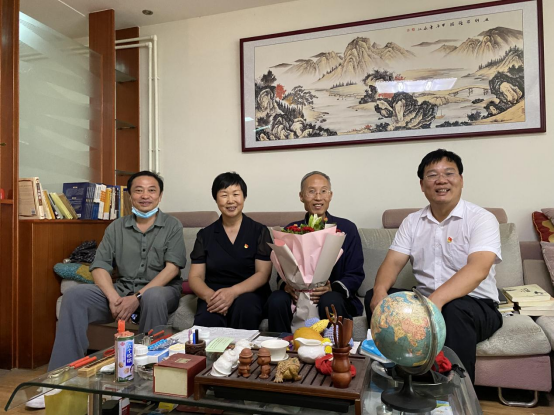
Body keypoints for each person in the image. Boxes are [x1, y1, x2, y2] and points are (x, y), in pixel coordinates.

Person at [365, 149, 503, 383]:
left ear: (461, 180)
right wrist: (380, 292)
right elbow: (393, 262)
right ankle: (393, 379)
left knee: (454, 310)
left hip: (476, 306)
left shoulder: (481, 219)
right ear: (422, 184)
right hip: (427, 302)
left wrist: (434, 303)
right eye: (432, 175)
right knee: (377, 296)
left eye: (449, 173)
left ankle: (454, 390)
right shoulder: (412, 222)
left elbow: (478, 269)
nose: (441, 180)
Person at [48, 171, 187, 371]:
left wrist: (137, 297)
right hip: (122, 289)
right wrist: (114, 298)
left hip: (162, 291)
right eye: (138, 191)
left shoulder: (172, 225)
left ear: (160, 196)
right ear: (130, 196)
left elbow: (172, 269)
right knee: (74, 296)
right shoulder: (116, 227)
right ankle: (62, 374)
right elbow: (99, 267)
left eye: (151, 190)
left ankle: (148, 371)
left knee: (153, 296)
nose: (145, 196)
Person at [266, 171, 365, 333]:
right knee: (276, 299)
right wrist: (287, 286)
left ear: (330, 195)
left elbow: (355, 273)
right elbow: (282, 272)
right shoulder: (291, 230)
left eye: (323, 191)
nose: (318, 197)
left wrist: (332, 288)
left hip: (333, 295)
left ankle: (333, 347)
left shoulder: (347, 229)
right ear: (301, 196)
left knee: (330, 299)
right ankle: (282, 345)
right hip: (297, 295)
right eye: (311, 191)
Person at [188, 172, 273, 330]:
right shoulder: (205, 235)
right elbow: (195, 276)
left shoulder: (259, 231)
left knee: (245, 308)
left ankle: (243, 348)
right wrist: (210, 296)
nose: (230, 200)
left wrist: (233, 292)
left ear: (244, 197)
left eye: (235, 194)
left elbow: (263, 274)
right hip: (214, 294)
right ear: (216, 199)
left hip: (249, 293)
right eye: (224, 195)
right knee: (207, 320)